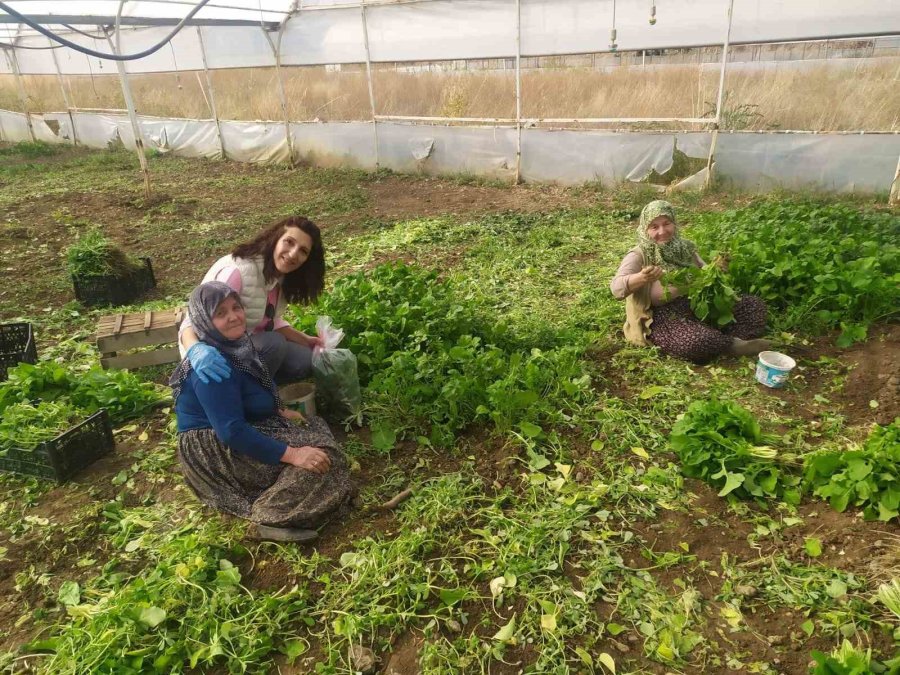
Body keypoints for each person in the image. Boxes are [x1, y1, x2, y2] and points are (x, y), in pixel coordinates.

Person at [170, 281, 355, 543]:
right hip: (215, 451)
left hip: (235, 428)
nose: (233, 317)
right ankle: (270, 514)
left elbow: (247, 395)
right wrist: (293, 454)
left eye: (236, 307)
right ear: (203, 320)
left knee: (313, 429)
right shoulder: (211, 368)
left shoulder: (236, 346)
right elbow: (231, 431)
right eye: (220, 313)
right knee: (321, 461)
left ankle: (294, 488)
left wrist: (278, 413)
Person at [610, 200, 771, 364]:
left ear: (674, 223)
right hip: (663, 317)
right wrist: (642, 277)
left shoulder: (685, 247)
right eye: (654, 227)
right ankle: (730, 345)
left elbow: (704, 270)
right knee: (694, 341)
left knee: (753, 305)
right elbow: (616, 288)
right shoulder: (639, 254)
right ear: (645, 229)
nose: (662, 231)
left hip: (699, 307)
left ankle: (721, 340)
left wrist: (716, 268)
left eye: (667, 223)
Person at [179, 216, 325, 385]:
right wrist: (195, 350)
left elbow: (266, 320)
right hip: (213, 354)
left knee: (304, 360)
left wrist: (306, 340)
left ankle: (255, 383)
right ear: (275, 239)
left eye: (303, 251)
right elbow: (192, 320)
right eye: (289, 242)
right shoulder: (239, 272)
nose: (293, 254)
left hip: (245, 344)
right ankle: (248, 394)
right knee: (274, 344)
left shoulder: (280, 278)